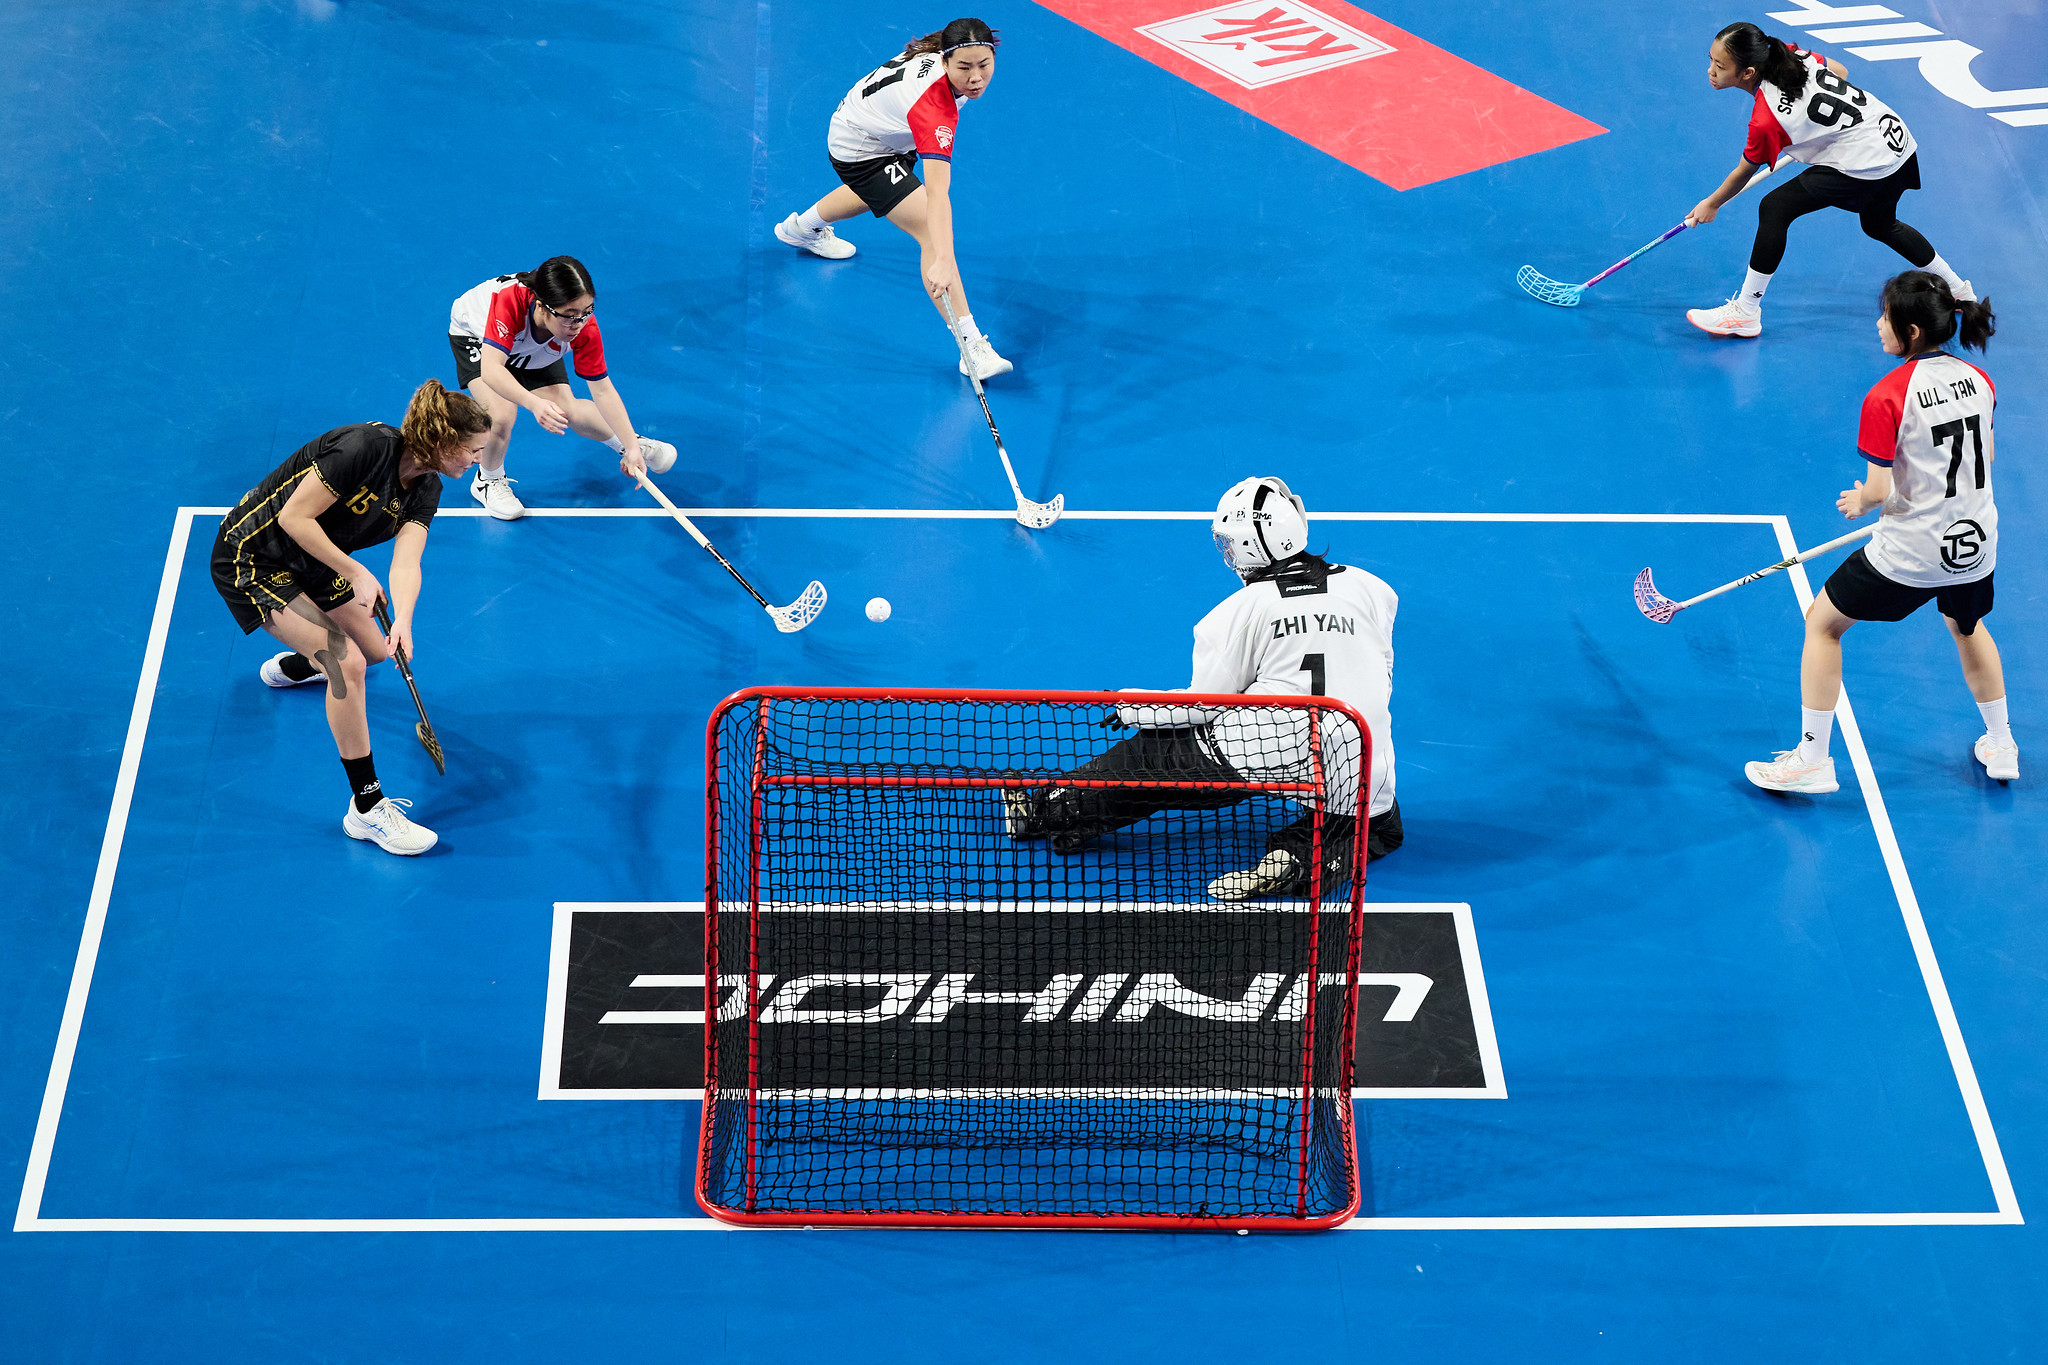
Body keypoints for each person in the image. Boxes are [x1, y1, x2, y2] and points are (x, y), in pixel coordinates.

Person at [1006, 477, 1402, 900]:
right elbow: (1382, 669)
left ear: (1253, 546)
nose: (1227, 552)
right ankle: (1297, 856)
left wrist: (1132, 706)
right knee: (1377, 826)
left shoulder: (1239, 611)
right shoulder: (1373, 589)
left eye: (1230, 543)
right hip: (1360, 758)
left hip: (1260, 748)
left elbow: (1204, 704)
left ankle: (1044, 808)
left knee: (1151, 757)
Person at [1747, 273, 2013, 794]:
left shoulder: (1888, 396)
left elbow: (1878, 488)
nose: (1877, 324)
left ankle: (1812, 760)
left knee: (1822, 623)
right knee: (1966, 626)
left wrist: (1861, 502)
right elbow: (1979, 460)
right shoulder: (1980, 380)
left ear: (1911, 331)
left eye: (1885, 317)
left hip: (1913, 552)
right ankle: (2002, 743)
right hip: (1976, 544)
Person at [213, 380, 493, 854]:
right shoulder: (365, 448)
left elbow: (407, 562)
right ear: (443, 441)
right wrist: (356, 571)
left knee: (375, 651)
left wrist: (403, 620)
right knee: (347, 664)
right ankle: (366, 808)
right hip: (254, 556)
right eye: (473, 450)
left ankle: (301, 664)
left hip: (314, 560)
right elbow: (294, 519)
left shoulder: (427, 487)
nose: (477, 460)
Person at [1685, 23, 1973, 339]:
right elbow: (1841, 71)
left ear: (1748, 72)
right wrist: (1818, 132)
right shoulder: (1787, 54)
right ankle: (1958, 289)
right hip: (1895, 139)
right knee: (1880, 224)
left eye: (1720, 65)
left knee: (1774, 207)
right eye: (1711, 60)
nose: (1711, 70)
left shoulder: (1767, 119)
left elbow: (1744, 172)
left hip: (1868, 160)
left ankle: (1746, 312)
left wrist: (1711, 204)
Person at [772, 18, 1012, 380]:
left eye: (984, 64)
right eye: (965, 68)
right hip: (862, 146)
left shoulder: (946, 51)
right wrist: (942, 259)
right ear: (946, 61)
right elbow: (937, 194)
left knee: (884, 192)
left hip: (885, 126)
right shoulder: (934, 109)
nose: (976, 77)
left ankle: (801, 229)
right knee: (929, 230)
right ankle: (971, 347)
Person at [447, 256, 678, 519]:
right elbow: (492, 370)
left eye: (586, 311)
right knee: (501, 415)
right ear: (542, 307)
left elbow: (602, 390)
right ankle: (488, 480)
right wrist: (534, 403)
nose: (578, 323)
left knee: (567, 409)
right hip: (477, 338)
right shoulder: (508, 302)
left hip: (536, 343)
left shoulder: (580, 325)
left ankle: (630, 441)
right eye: (570, 316)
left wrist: (631, 448)